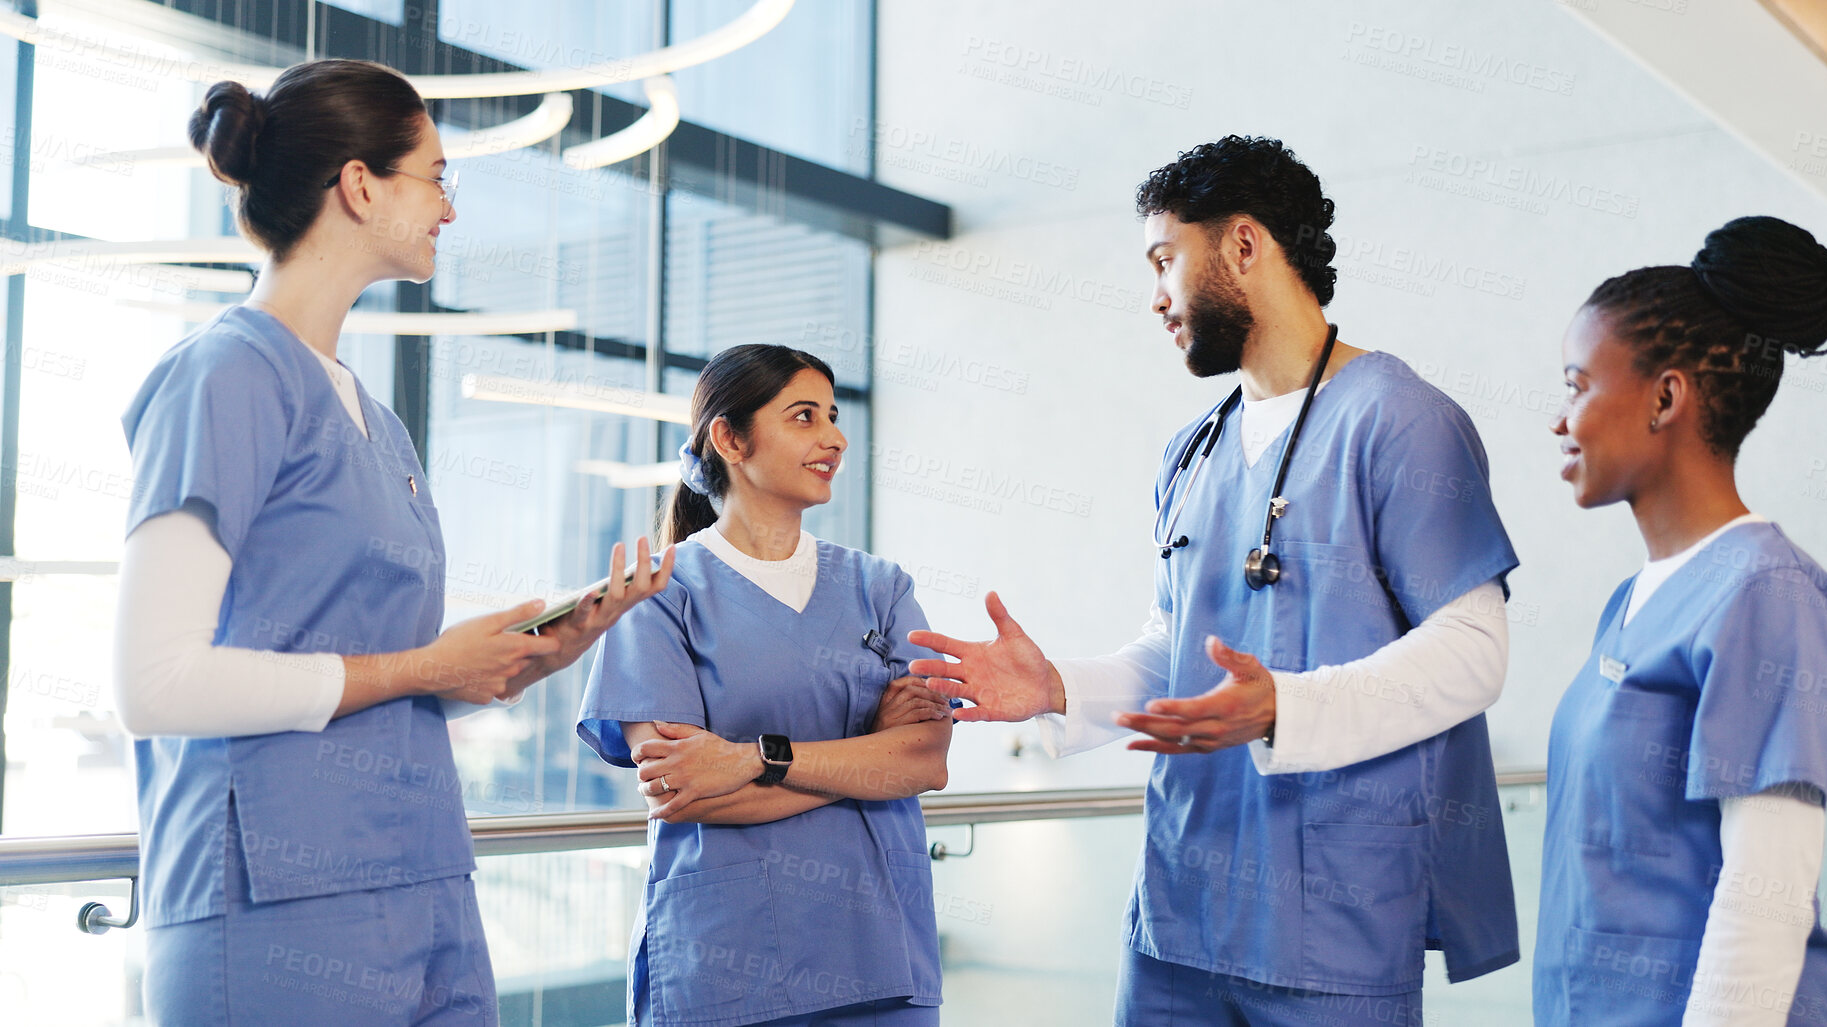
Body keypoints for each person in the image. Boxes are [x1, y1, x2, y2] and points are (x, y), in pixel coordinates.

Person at [909, 135, 1521, 1024]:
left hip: (1334, 929)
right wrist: (1058, 684)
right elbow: (1180, 649)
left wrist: (1285, 707)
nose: (1155, 297)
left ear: (1243, 245)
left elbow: (1473, 651)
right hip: (1177, 919)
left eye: (1165, 260)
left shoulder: (1400, 422)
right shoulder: (1190, 451)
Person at [115, 59, 672, 1025]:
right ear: (361, 185)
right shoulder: (225, 376)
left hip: (423, 879)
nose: (449, 211)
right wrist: (422, 662)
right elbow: (153, 684)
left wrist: (520, 659)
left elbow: (387, 676)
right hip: (272, 902)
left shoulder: (377, 419)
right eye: (437, 178)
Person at [1537, 215, 1827, 1025]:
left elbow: (1765, 897)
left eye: (1577, 385)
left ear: (1664, 396)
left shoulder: (1765, 593)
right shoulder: (1633, 600)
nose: (1558, 418)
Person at [576, 343, 954, 1027]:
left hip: (879, 954)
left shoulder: (881, 588)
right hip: (724, 960)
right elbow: (683, 789)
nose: (834, 437)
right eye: (803, 417)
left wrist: (754, 758)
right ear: (729, 437)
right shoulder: (657, 593)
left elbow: (924, 759)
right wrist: (867, 753)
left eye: (833, 416)